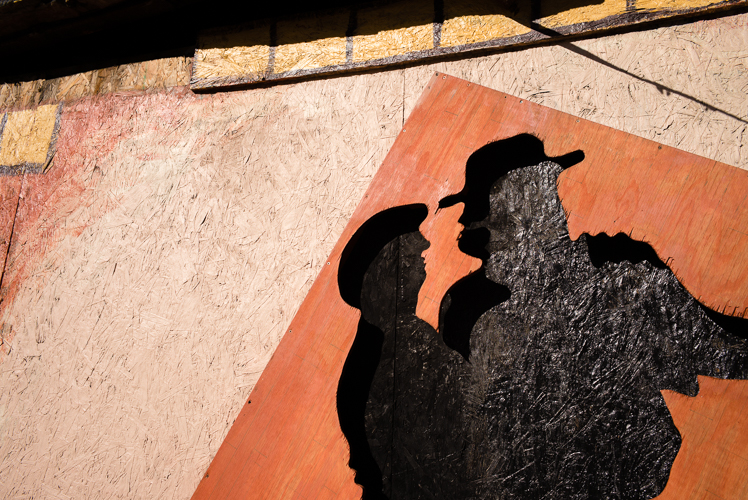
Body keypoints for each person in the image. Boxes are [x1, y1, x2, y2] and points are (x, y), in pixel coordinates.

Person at [337, 134, 748, 500]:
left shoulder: (611, 271)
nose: (557, 204)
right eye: (545, 188)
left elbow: (723, 351)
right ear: (517, 207)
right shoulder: (472, 306)